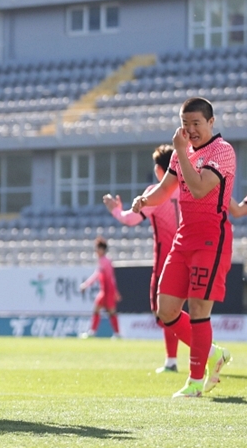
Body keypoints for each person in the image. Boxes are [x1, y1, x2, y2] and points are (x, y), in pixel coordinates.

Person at [132, 97, 233, 398]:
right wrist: (145, 200)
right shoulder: (182, 153)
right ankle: (213, 353)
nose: (190, 130)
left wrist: (180, 151)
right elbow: (166, 189)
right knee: (166, 310)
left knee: (199, 309)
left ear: (211, 122)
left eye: (196, 123)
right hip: (183, 238)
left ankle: (195, 381)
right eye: (185, 123)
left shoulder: (222, 151)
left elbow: (200, 188)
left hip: (210, 239)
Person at [103, 145, 182, 372]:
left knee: (164, 311)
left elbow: (131, 219)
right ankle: (184, 358)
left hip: (167, 259)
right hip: (192, 254)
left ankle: (195, 354)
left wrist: (116, 210)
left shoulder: (156, 192)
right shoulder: (189, 188)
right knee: (191, 310)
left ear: (159, 170)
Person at [79, 237, 122, 339]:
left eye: (97, 249)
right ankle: (94, 332)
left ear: (102, 249)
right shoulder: (106, 260)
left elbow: (99, 275)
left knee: (110, 311)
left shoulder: (104, 261)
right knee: (98, 309)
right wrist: (115, 291)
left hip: (107, 290)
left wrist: (86, 284)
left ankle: (116, 334)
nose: (96, 251)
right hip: (106, 290)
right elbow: (111, 277)